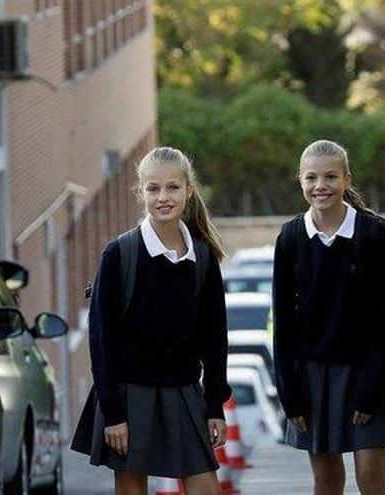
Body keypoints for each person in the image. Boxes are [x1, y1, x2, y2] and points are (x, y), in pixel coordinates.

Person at [71, 146, 231, 495]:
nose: (163, 197)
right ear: (140, 193)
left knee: (206, 487)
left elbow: (215, 338)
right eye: (153, 188)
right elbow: (102, 342)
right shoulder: (119, 254)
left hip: (185, 393)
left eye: (173, 187)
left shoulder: (203, 257)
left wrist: (215, 403)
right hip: (129, 397)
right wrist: (113, 413)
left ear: (189, 191)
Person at [272, 140, 385, 495]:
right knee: (326, 479)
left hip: (368, 371)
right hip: (312, 375)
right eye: (312, 178)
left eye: (331, 176)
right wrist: (290, 394)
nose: (321, 186)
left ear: (348, 180)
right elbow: (283, 323)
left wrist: (370, 386)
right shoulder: (289, 238)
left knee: (370, 473)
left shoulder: (377, 235)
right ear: (300, 181)